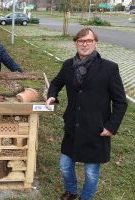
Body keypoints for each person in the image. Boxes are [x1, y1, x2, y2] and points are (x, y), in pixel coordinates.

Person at [46, 28, 127, 200]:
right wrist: (52, 95)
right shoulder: (68, 65)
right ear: (75, 43)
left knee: (91, 172)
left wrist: (111, 127)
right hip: (73, 126)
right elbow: (56, 83)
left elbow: (120, 102)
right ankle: (71, 191)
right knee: (65, 165)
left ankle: (86, 197)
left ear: (95, 42)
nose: (84, 44)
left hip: (96, 128)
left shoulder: (109, 68)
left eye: (88, 41)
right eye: (80, 41)